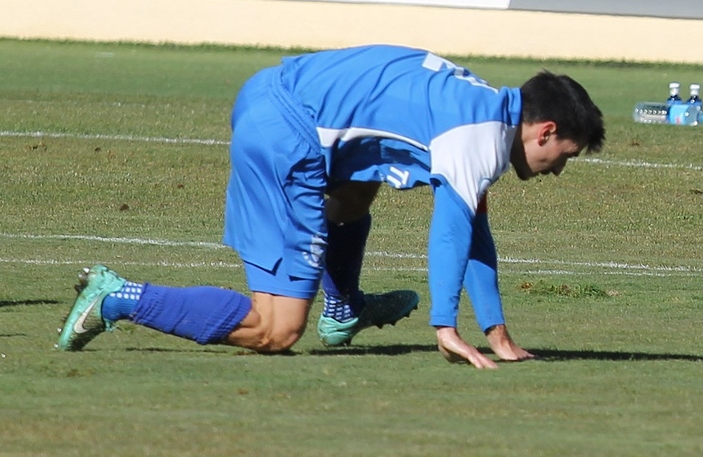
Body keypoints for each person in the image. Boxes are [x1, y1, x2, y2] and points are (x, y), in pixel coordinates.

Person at [57, 46, 605, 368]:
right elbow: (451, 234)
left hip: (272, 90)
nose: (559, 168)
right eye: (566, 155)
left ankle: (342, 310)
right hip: (289, 132)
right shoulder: (480, 138)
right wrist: (445, 328)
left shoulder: (485, 104)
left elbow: (476, 230)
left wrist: (496, 330)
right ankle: (119, 297)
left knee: (357, 185)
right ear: (546, 131)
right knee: (276, 330)